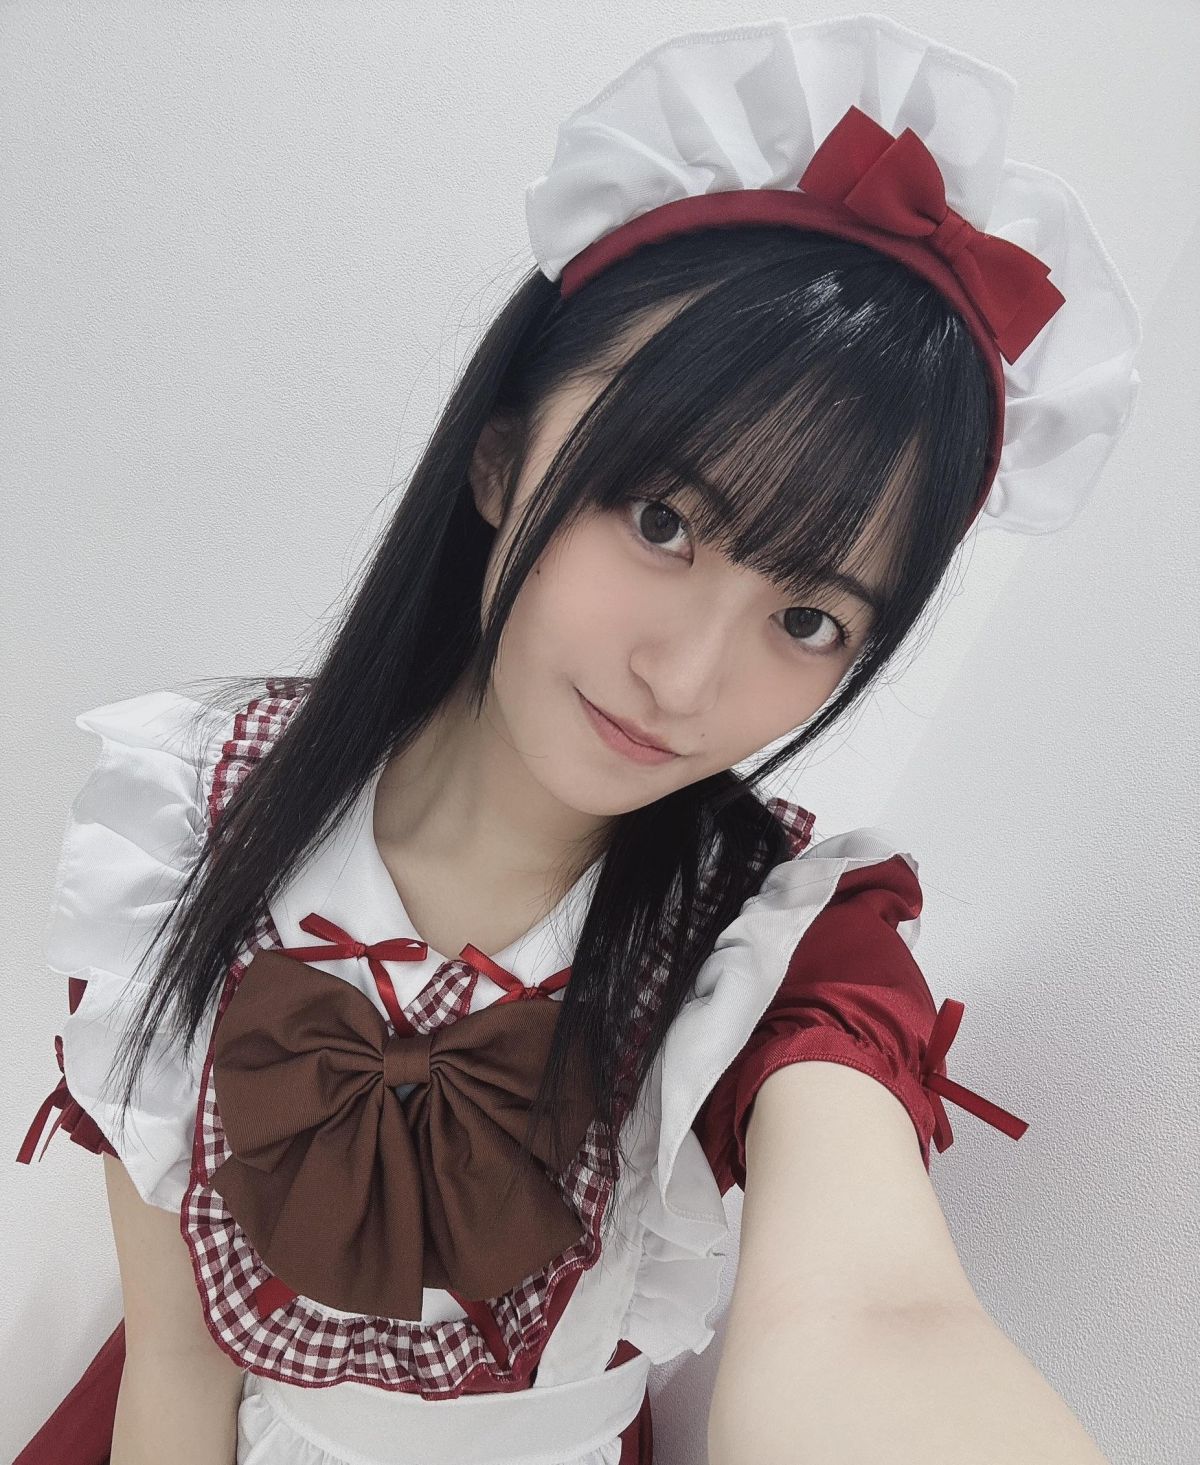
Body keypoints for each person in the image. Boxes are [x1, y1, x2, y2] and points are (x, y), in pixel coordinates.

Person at [15, 12, 1141, 1465]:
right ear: (503, 454)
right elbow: (177, 1366)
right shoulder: (195, 809)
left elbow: (882, 1313)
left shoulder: (778, 943)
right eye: (663, 520)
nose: (685, 676)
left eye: (809, 617)